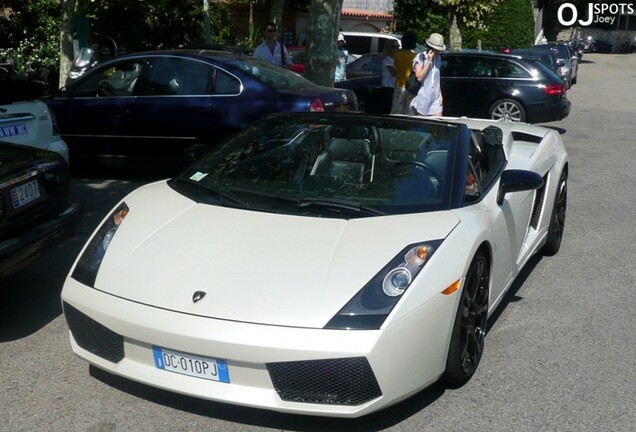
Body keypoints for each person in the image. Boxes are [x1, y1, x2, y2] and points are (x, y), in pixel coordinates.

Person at [409, 33, 446, 117]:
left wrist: (440, 95)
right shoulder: (420, 57)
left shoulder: (438, 58)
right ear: (431, 48)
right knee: (421, 125)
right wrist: (429, 61)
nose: (439, 51)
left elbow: (437, 79)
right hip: (423, 95)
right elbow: (419, 77)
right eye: (437, 49)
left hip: (435, 97)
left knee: (438, 125)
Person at [391, 31, 418, 114]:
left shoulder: (396, 55)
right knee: (408, 110)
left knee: (397, 109)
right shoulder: (415, 56)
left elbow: (394, 69)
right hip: (410, 86)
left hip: (399, 84)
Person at [379, 40, 399, 114]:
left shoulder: (394, 59)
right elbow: (394, 73)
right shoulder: (387, 60)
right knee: (387, 107)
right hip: (387, 86)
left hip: (393, 86)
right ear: (389, 48)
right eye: (394, 47)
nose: (397, 49)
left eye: (398, 47)